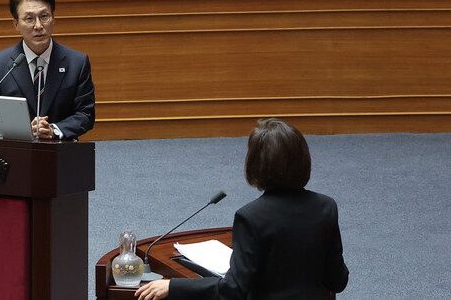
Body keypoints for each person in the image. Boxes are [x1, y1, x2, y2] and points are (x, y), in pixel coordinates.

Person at [135, 118, 349, 300]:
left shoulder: (251, 217)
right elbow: (337, 281)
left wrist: (172, 286)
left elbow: (233, 290)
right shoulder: (326, 207)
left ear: (256, 165)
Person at [0, 0, 95, 140]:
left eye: (44, 16)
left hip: (60, 150)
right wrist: (26, 130)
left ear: (53, 18)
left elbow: (85, 114)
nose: (39, 26)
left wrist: (53, 129)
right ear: (15, 23)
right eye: (29, 19)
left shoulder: (77, 63)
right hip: (16, 149)